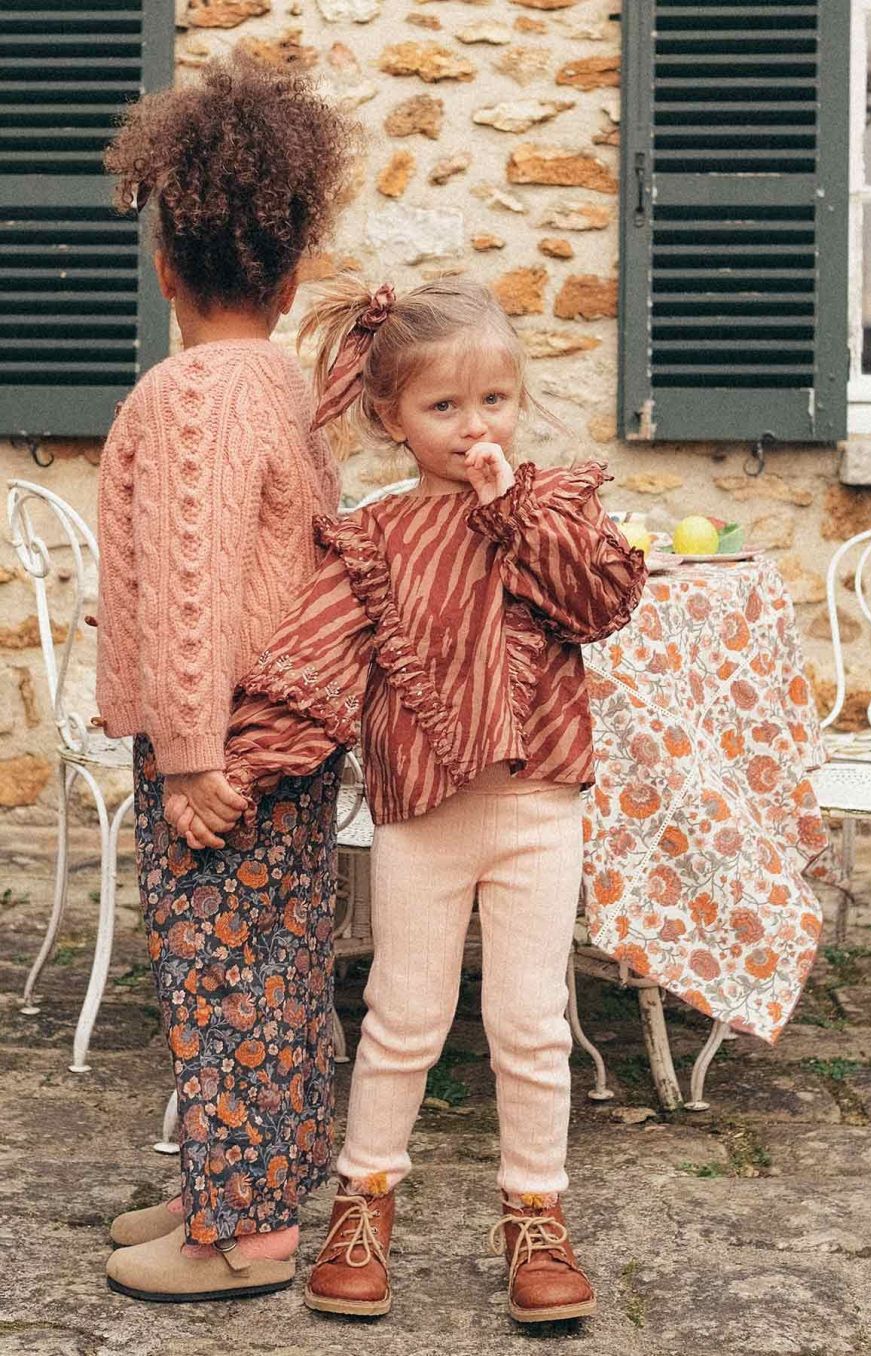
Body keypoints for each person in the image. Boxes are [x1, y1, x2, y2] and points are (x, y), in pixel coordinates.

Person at [185, 275, 647, 1323]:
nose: (474, 426)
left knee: (530, 1022)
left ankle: (536, 1215)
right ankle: (365, 1202)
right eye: (444, 406)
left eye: (494, 401)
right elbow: (314, 659)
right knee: (402, 1017)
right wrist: (240, 762)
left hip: (537, 810)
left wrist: (509, 508)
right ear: (392, 418)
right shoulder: (378, 536)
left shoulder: (554, 509)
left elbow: (598, 600)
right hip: (421, 816)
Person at [95, 57, 355, 1303]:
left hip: (222, 743)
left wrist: (192, 754)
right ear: (289, 278)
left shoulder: (186, 393)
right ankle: (250, 1179)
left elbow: (193, 584)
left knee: (217, 980)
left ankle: (238, 1235)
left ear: (164, 269)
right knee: (282, 969)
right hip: (290, 732)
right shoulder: (282, 384)